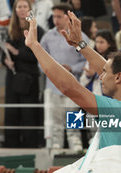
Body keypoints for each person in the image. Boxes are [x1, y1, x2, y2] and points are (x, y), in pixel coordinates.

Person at [25, 10, 121, 149]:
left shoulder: (117, 110)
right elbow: (105, 67)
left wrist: (35, 45)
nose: (101, 76)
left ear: (118, 78)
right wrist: (80, 44)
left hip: (117, 170)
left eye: (104, 73)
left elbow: (68, 87)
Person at [40, 3, 89, 151]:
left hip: (73, 88)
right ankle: (55, 151)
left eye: (59, 16)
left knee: (73, 124)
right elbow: (40, 60)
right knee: (54, 124)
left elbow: (88, 61)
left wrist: (72, 68)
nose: (56, 19)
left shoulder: (80, 37)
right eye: (54, 16)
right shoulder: (47, 37)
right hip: (52, 87)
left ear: (68, 17)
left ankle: (77, 150)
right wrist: (50, 70)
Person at [3, 0, 45, 148]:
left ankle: (30, 146)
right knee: (12, 114)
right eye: (19, 7)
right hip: (13, 77)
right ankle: (11, 146)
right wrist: (5, 61)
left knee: (29, 115)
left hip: (29, 78)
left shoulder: (38, 30)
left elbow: (37, 56)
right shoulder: (9, 30)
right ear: (14, 10)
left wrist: (16, 52)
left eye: (24, 7)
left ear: (30, 9)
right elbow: (3, 53)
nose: (21, 10)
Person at [80, 29, 117, 96]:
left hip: (108, 97)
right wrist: (88, 76)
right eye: (96, 42)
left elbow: (114, 82)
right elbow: (82, 82)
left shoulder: (114, 59)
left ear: (109, 43)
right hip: (93, 96)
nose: (98, 45)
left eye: (101, 42)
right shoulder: (91, 58)